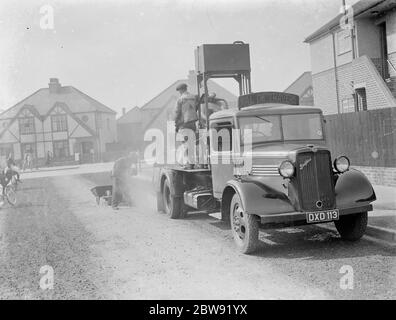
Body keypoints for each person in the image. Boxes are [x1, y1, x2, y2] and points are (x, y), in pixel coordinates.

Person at [174, 83, 198, 169]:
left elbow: (177, 113)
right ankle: (191, 164)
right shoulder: (193, 97)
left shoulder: (180, 99)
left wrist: (176, 124)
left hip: (184, 124)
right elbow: (196, 107)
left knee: (185, 145)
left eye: (179, 91)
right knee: (191, 144)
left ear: (181, 90)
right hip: (193, 124)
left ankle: (186, 164)